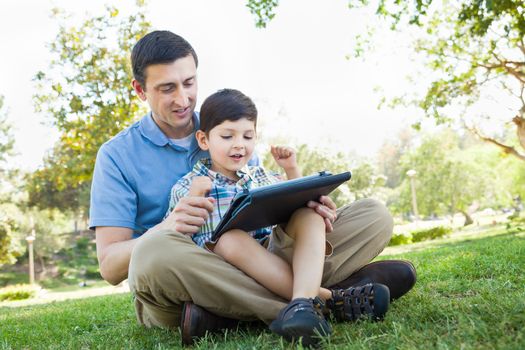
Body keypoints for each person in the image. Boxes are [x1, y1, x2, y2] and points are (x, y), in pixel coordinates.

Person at [90, 30, 417, 346]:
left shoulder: (227, 125)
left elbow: (264, 204)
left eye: (189, 83)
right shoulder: (117, 155)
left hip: (258, 258)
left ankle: (226, 316)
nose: (182, 98)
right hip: (188, 275)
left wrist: (305, 204)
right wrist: (167, 227)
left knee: (374, 215)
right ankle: (331, 300)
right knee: (153, 253)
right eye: (166, 88)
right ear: (140, 90)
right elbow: (110, 266)